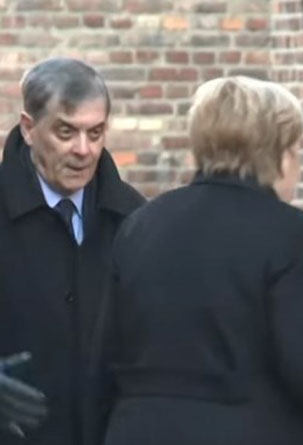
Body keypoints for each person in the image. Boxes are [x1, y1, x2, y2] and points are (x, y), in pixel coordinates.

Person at [89, 77, 303, 445]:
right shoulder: (290, 233)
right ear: (277, 152)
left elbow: (104, 360)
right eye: (296, 149)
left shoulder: (140, 225)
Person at [0, 58, 145, 444]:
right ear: (29, 128)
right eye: (66, 132)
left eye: (95, 133)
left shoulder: (134, 220)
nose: (84, 150)